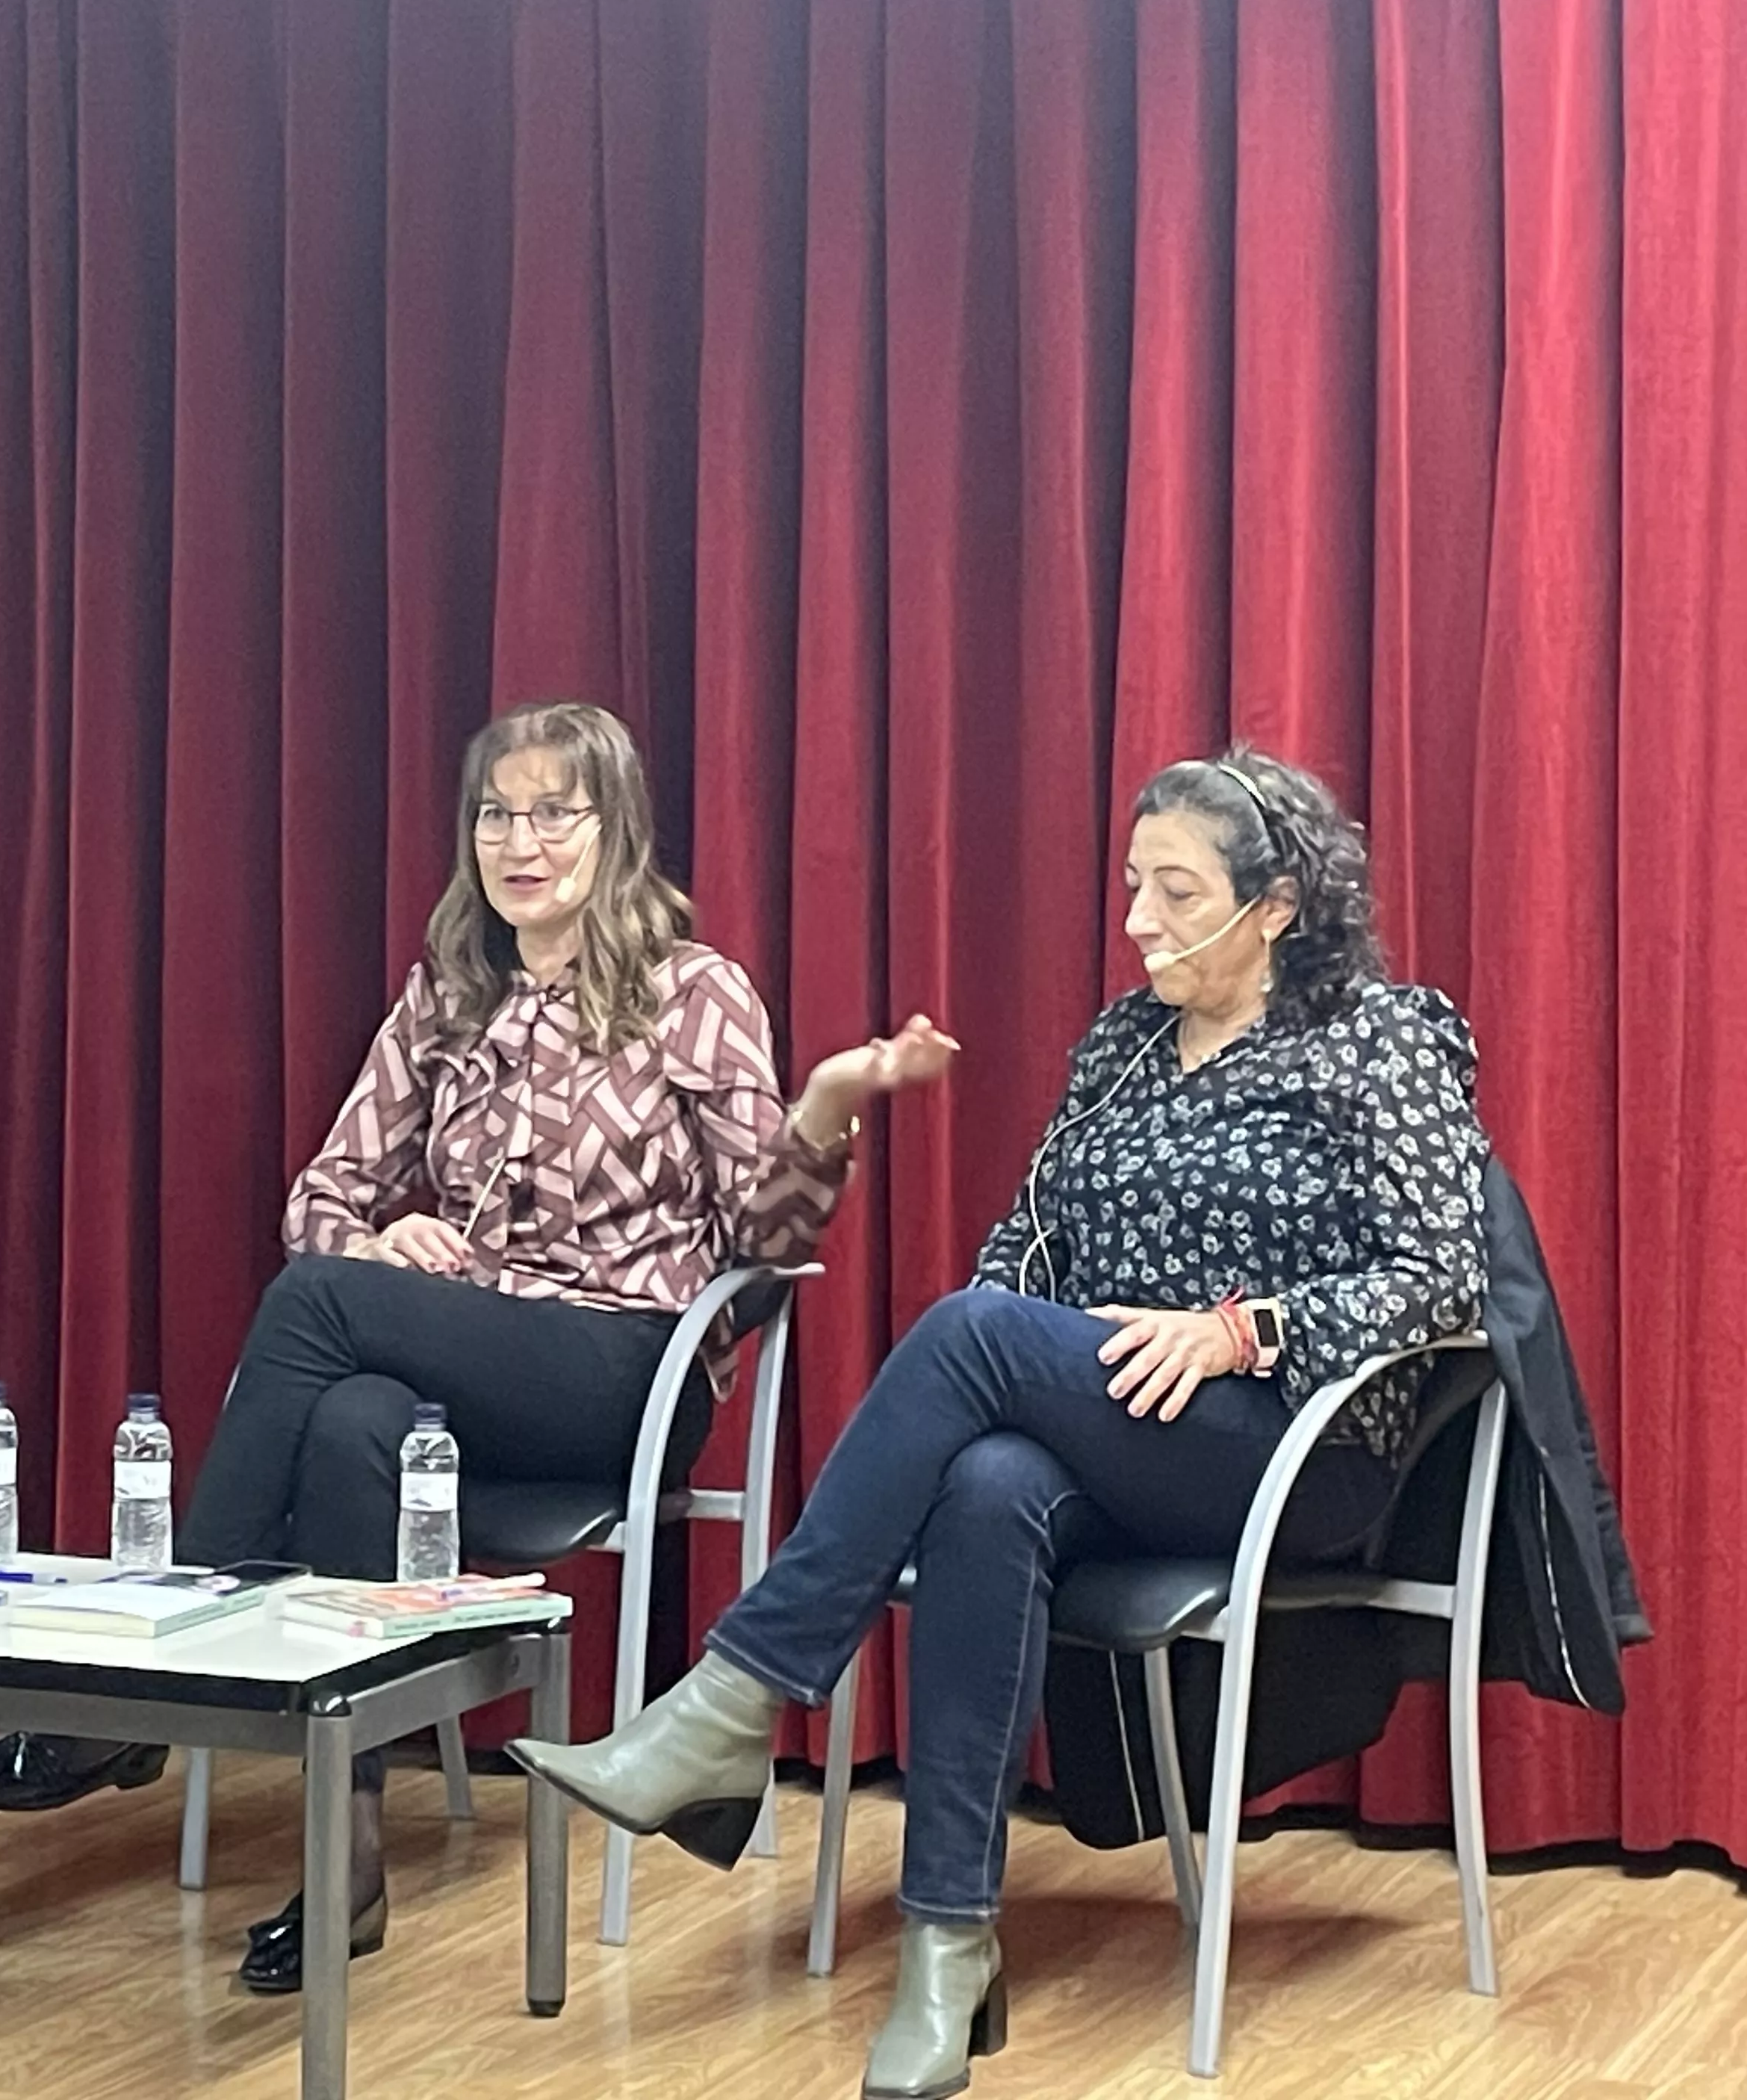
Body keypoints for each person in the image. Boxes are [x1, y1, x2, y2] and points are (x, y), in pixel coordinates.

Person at [509, 747, 1489, 2100]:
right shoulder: (1121, 1042)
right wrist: (1034, 1339)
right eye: (1133, 883)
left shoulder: (1380, 1038)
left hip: (1285, 1446)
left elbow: (1444, 1270)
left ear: (1275, 910)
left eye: (1176, 890)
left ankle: (736, 1696)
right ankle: (947, 1948)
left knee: (969, 1334)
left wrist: (1239, 1328)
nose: (1138, 917)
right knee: (986, 1484)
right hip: (1109, 1430)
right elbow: (1025, 1244)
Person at [0, 699, 956, 1994]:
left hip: (621, 1367)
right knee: (354, 1414)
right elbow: (320, 1198)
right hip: (457, 1372)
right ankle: (342, 1863)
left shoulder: (692, 993)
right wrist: (388, 1242)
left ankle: (148, 1675)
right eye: (496, 813)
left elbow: (766, 1235)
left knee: (316, 1310)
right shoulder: (450, 993)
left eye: (553, 813)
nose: (519, 841)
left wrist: (826, 1107)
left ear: (616, 829)